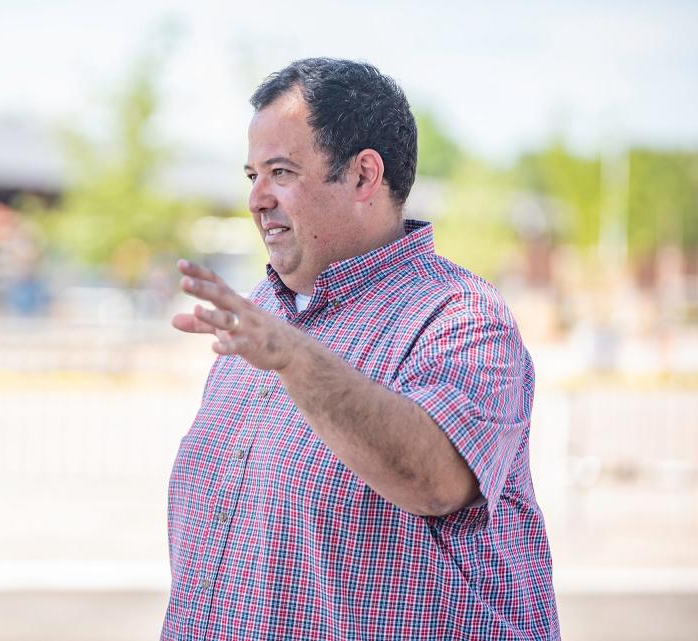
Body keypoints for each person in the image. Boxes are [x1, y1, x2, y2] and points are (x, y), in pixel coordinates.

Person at [163, 58, 559, 640]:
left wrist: (295, 358)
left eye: (281, 171)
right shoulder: (264, 311)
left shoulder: (460, 314)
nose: (257, 199)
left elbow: (434, 481)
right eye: (252, 175)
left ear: (363, 177)